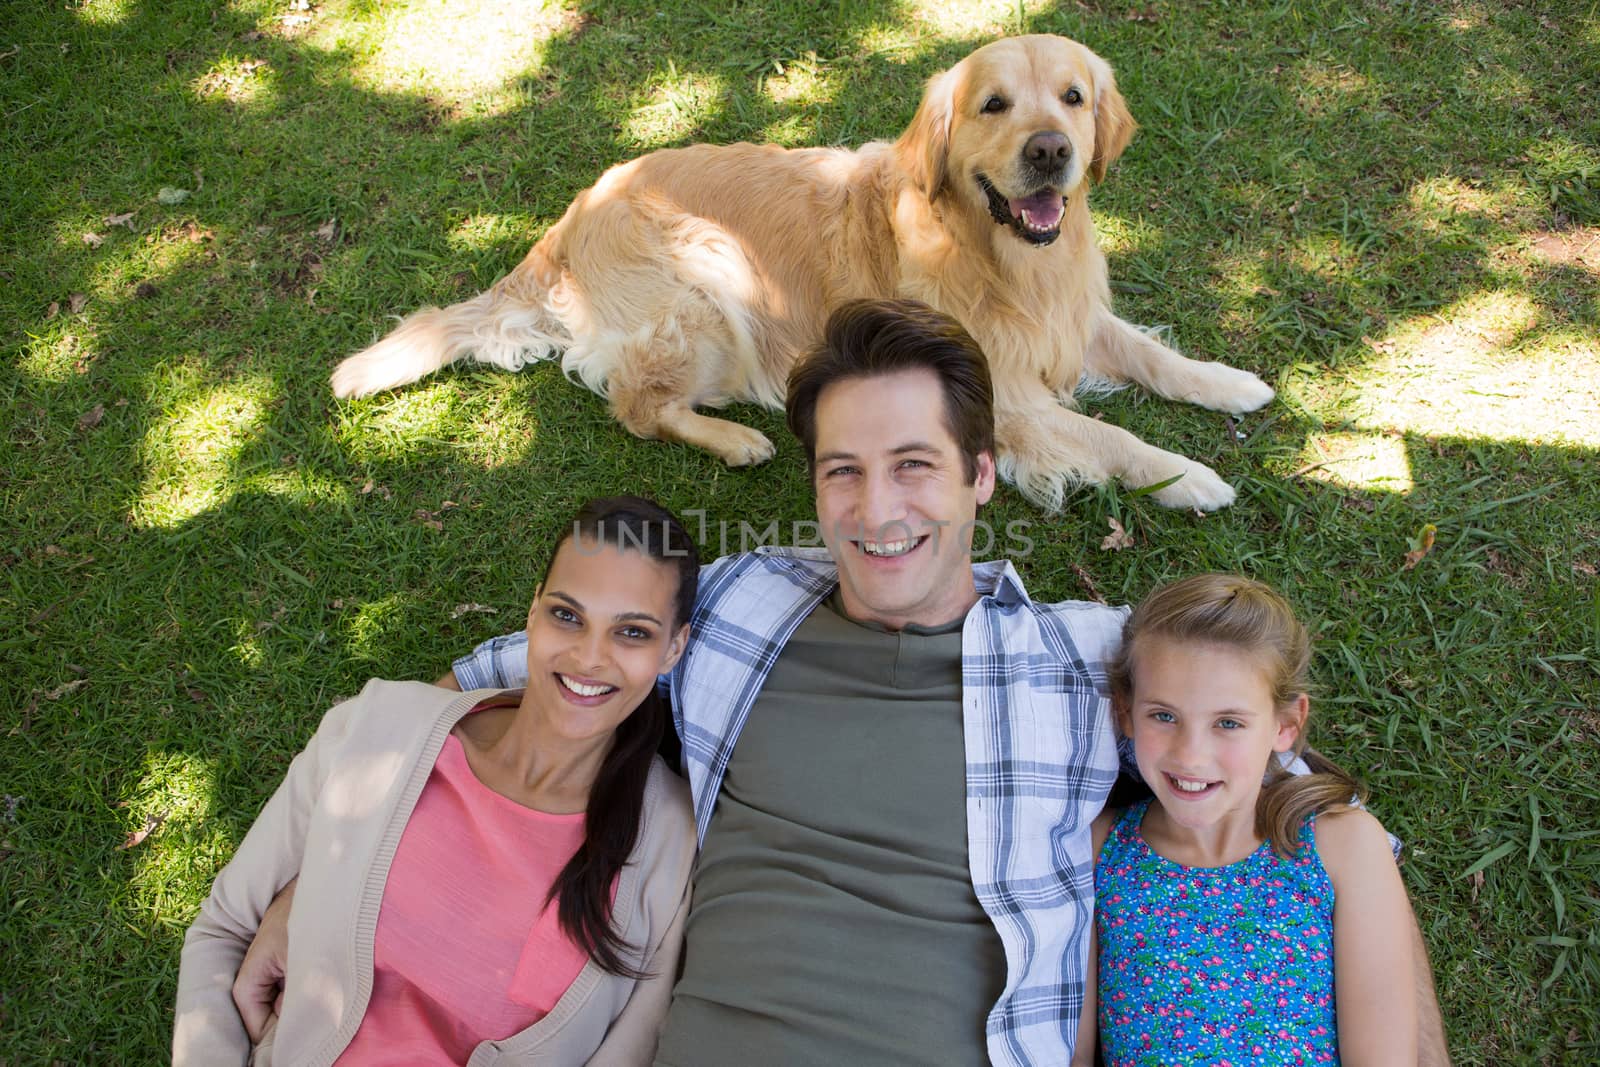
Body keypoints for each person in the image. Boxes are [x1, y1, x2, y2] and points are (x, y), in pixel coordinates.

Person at [236, 300, 1449, 1064]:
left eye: (914, 465)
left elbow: (1289, 789)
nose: (876, 511)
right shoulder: (737, 606)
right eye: (843, 472)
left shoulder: (1087, 658)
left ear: (981, 473)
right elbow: (520, 677)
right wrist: (325, 876)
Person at [174, 496, 701, 1065]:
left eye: (632, 633)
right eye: (567, 616)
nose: (589, 657)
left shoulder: (668, 848)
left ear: (674, 647)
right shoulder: (377, 727)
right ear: (532, 615)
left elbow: (630, 1053)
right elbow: (223, 932)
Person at [1073, 574, 1416, 1065]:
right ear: (1126, 713)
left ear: (1285, 725)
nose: (1190, 756)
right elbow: (1070, 1050)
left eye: (1228, 723)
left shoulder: (1344, 846)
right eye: (1164, 716)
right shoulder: (1098, 849)